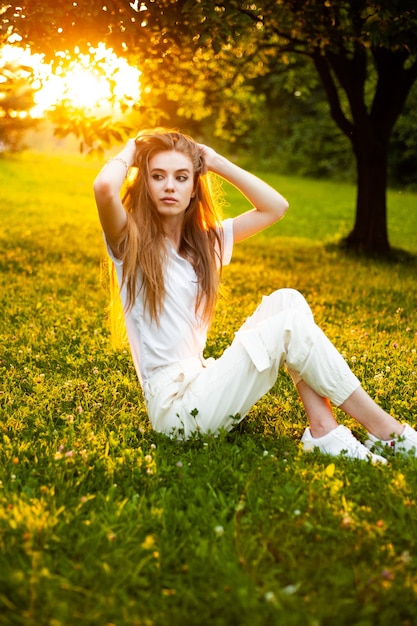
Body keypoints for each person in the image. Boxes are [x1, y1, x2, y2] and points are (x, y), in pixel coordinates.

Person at [93, 127, 417, 462]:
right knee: (288, 327)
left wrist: (215, 161)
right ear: (144, 184)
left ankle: (323, 428)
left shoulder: (205, 245)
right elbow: (104, 188)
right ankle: (388, 432)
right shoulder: (130, 244)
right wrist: (135, 147)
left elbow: (275, 207)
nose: (170, 186)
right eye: (157, 176)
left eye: (181, 176)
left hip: (203, 383)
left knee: (287, 301)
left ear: (193, 189)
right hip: (176, 413)